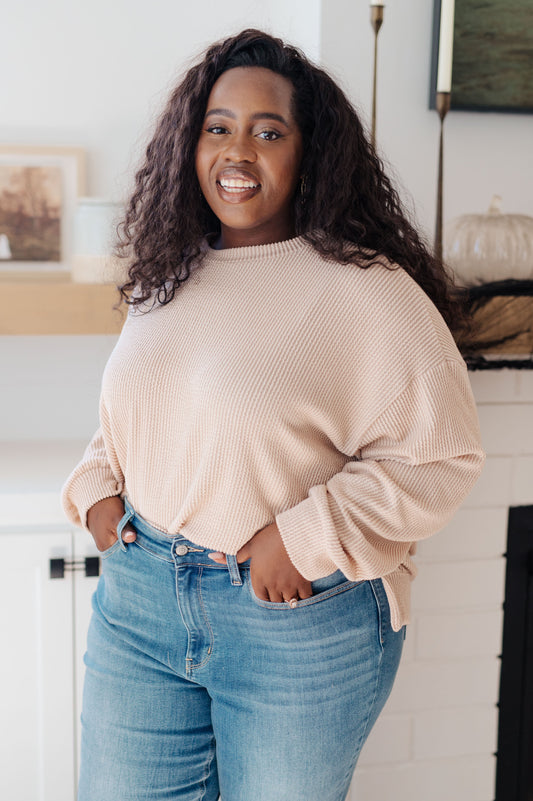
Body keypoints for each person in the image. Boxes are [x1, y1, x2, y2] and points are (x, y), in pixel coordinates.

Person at [62, 28, 485, 801]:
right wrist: (93, 483)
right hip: (140, 604)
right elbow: (143, 413)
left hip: (294, 624)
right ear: (189, 145)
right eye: (218, 127)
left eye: (268, 131)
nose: (238, 151)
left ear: (310, 151)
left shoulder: (365, 291)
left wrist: (306, 534)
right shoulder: (167, 272)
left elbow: (441, 454)